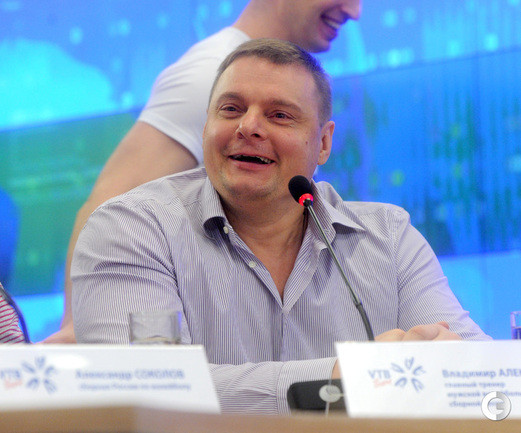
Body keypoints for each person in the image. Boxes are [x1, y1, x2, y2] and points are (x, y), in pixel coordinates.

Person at [72, 39, 490, 414]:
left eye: (280, 115)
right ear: (206, 127)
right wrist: (339, 378)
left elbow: (476, 370)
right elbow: (147, 388)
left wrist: (451, 366)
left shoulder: (389, 237)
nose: (248, 126)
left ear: (323, 143)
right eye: (231, 109)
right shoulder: (131, 229)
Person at [47, 0, 363, 344]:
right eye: (232, 109)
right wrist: (82, 328)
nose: (355, 11)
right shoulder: (209, 72)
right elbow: (110, 209)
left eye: (280, 116)